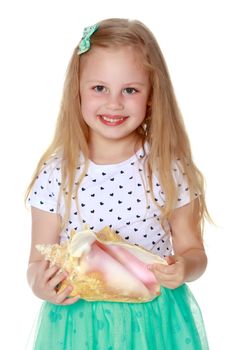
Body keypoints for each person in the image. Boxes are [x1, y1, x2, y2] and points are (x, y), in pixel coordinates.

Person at [26, 18, 210, 349]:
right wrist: (40, 284)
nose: (114, 103)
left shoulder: (168, 168)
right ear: (77, 91)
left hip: (153, 320)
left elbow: (194, 251)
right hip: (77, 325)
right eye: (99, 88)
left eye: (130, 90)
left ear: (152, 94)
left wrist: (184, 267)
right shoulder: (57, 172)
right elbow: (36, 263)